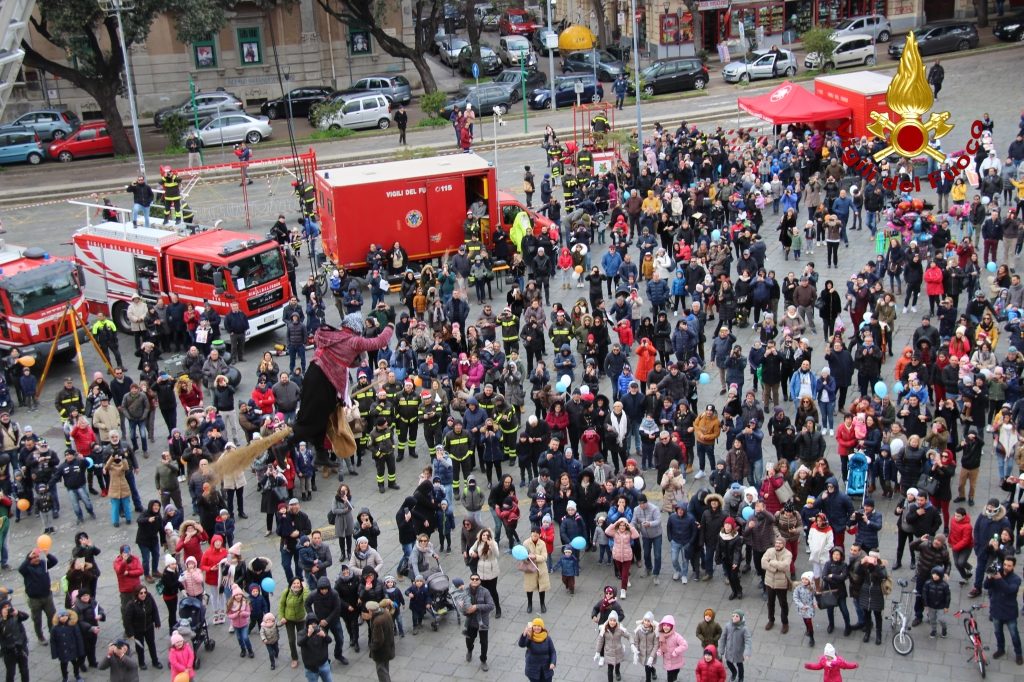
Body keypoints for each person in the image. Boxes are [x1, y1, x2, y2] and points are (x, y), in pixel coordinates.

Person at [984, 555, 1023, 664]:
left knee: (1014, 634)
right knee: (998, 632)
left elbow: (1009, 590)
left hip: (1009, 612)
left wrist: (999, 578)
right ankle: (1000, 649)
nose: (1006, 567)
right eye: (1005, 564)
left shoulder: (1016, 579)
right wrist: (989, 577)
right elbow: (986, 586)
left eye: (1009, 565)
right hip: (996, 609)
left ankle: (1018, 654)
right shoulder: (997, 573)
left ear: (1013, 566)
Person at [454, 574, 495, 671]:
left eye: (477, 579)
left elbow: (491, 605)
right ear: (470, 580)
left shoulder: (485, 591)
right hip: (471, 621)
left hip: (483, 621)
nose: (475, 580)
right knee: (469, 640)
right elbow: (460, 607)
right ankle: (469, 650)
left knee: (484, 642)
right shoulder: (464, 592)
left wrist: (477, 607)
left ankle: (483, 660)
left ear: (480, 581)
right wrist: (464, 609)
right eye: (473, 579)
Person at [0, 600, 30, 682]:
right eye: (5, 608)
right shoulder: (1, 620)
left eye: (8, 607)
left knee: (24, 670)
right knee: (10, 672)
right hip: (9, 650)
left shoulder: (16, 616)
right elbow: (3, 633)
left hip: (21, 647)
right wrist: (4, 619)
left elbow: (26, 616)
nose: (7, 609)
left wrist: (17, 612)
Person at [595, 610, 629, 682]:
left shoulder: (620, 629)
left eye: (614, 620)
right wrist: (597, 652)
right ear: (608, 620)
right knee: (610, 669)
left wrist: (632, 644)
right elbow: (600, 641)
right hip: (609, 652)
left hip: (618, 651)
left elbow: (628, 635)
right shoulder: (604, 629)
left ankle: (617, 672)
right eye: (611, 620)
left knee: (617, 663)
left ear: (616, 621)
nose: (612, 622)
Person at [518, 618, 557, 682]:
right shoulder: (530, 636)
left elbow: (553, 652)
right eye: (535, 626)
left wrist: (553, 662)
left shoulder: (547, 638)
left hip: (546, 670)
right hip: (533, 670)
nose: (536, 628)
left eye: (539, 626)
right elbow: (521, 644)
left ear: (542, 627)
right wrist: (524, 633)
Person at [297, 614, 333, 682]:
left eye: (315, 623)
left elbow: (329, 640)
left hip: (324, 664)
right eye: (311, 624)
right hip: (311, 669)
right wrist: (308, 635)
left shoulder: (320, 630)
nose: (314, 625)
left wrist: (324, 635)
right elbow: (299, 643)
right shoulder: (302, 633)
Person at [367, 600, 396, 682]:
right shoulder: (386, 613)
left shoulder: (377, 621)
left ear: (370, 610)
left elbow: (378, 640)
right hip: (388, 646)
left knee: (381, 671)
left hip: (381, 651)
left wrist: (372, 647)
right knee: (385, 669)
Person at [719, 609, 751, 682]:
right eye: (733, 616)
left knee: (739, 664)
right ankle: (734, 673)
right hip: (729, 650)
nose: (734, 618)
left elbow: (748, 641)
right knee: (728, 662)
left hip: (738, 651)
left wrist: (747, 652)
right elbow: (723, 638)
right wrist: (721, 650)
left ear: (740, 618)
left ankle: (741, 677)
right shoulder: (728, 626)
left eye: (737, 616)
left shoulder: (744, 629)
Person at [654, 614, 687, 682]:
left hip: (676, 659)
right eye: (664, 625)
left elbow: (684, 645)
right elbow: (661, 646)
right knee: (669, 677)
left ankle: (675, 677)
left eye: (668, 625)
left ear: (672, 627)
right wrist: (659, 651)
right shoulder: (661, 635)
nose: (666, 627)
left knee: (676, 671)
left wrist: (676, 651)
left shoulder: (676, 636)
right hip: (668, 661)